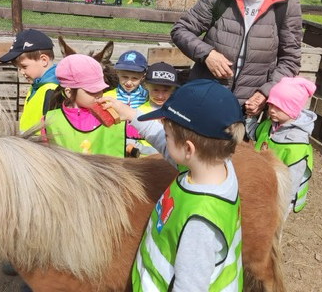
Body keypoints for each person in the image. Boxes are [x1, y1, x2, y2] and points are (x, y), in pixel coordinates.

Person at [100, 79, 244, 291]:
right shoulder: (214, 167)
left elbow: (189, 286)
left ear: (188, 149)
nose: (163, 138)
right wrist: (128, 113)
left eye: (167, 134)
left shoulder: (200, 222)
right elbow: (161, 140)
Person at [170, 0, 302, 118]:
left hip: (244, 111)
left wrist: (266, 92)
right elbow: (181, 30)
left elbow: (290, 60)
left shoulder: (287, 5)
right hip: (203, 100)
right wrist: (207, 54)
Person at [246, 76, 317, 218]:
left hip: (280, 196)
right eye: (271, 104)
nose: (272, 110)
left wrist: (280, 213)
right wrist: (250, 117)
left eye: (279, 107)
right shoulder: (270, 125)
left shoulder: (297, 144)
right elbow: (254, 133)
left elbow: (291, 183)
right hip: (265, 186)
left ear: (293, 109)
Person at [42, 54, 127, 157]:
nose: (99, 94)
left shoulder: (113, 113)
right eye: (92, 90)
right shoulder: (49, 120)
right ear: (69, 92)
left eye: (100, 89)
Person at [0, 29, 59, 133]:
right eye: (18, 67)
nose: (21, 72)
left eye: (24, 66)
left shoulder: (52, 91)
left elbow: (55, 132)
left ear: (43, 60)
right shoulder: (37, 85)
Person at [104, 51, 148, 157]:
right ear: (117, 73)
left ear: (143, 76)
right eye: (125, 77)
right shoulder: (107, 97)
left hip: (142, 152)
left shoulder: (148, 97)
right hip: (114, 149)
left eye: (134, 78)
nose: (128, 82)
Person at [135, 62, 180, 156]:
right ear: (146, 86)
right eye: (155, 90)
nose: (160, 96)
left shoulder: (178, 113)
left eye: (165, 90)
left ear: (172, 90)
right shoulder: (138, 112)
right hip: (144, 162)